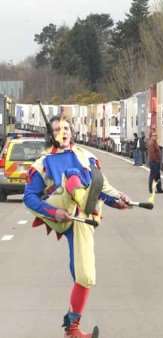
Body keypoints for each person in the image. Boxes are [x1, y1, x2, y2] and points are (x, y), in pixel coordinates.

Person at [23, 115, 130, 337]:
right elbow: (30, 198)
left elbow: (103, 186)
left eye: (66, 128)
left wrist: (118, 199)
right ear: (50, 135)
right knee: (71, 177)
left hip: (82, 219)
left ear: (72, 131)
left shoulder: (86, 157)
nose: (63, 132)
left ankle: (73, 328)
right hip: (61, 208)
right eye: (57, 129)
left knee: (84, 274)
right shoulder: (43, 163)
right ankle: (86, 203)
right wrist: (53, 212)